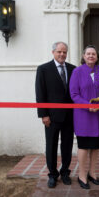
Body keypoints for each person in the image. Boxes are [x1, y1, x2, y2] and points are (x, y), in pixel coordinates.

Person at [35, 41, 76, 188]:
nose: (62, 54)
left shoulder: (73, 69)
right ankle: (52, 174)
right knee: (51, 146)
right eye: (59, 52)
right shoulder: (43, 69)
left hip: (70, 116)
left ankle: (65, 172)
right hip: (51, 117)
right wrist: (43, 115)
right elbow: (40, 94)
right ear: (53, 52)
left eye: (64, 52)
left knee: (67, 145)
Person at [69, 45, 99, 189]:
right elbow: (74, 94)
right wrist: (88, 105)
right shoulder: (77, 72)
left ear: (97, 56)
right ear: (84, 56)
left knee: (97, 146)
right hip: (84, 115)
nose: (91, 56)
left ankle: (92, 173)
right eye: (88, 54)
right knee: (84, 146)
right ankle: (82, 175)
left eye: (93, 54)